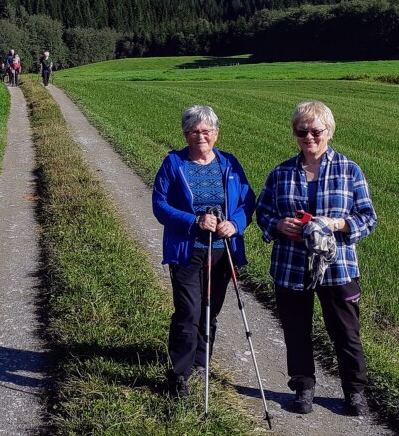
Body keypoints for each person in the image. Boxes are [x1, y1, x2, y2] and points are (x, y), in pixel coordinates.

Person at [255, 100, 377, 416]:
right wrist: (278, 224)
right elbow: (263, 211)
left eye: (316, 131)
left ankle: (354, 392)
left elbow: (367, 217)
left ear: (328, 131)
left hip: (338, 267)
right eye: (302, 131)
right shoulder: (281, 173)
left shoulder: (349, 170)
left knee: (346, 332)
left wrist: (336, 224)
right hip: (290, 266)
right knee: (296, 330)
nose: (309, 137)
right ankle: (304, 388)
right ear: (295, 133)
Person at [152, 105, 255, 398]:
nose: (201, 136)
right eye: (195, 131)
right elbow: (159, 206)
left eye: (207, 130)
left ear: (216, 133)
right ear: (186, 134)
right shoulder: (173, 163)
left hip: (223, 251)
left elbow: (248, 202)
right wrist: (194, 220)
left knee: (211, 310)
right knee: (189, 311)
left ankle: (201, 362)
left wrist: (234, 224)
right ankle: (179, 374)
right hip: (187, 250)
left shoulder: (229, 164)